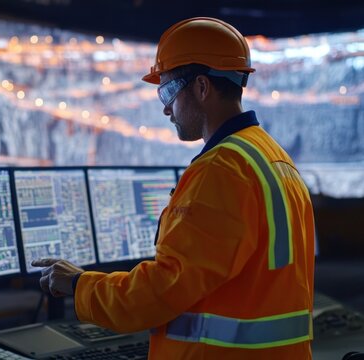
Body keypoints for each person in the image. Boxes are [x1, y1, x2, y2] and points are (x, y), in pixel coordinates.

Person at [32, 17, 315, 359]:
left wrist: (79, 286)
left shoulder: (221, 169)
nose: (165, 107)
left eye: (167, 91)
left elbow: (160, 292)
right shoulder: (272, 157)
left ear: (201, 87)